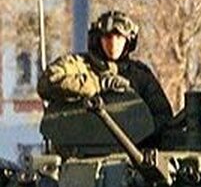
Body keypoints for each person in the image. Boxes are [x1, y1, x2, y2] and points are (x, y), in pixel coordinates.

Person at [38, 9, 173, 136]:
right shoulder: (79, 65)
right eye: (107, 37)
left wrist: (140, 132)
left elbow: (163, 117)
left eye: (119, 38)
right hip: (79, 151)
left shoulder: (139, 76)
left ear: (128, 42)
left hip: (134, 153)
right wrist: (97, 84)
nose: (113, 44)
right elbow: (48, 81)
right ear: (98, 39)